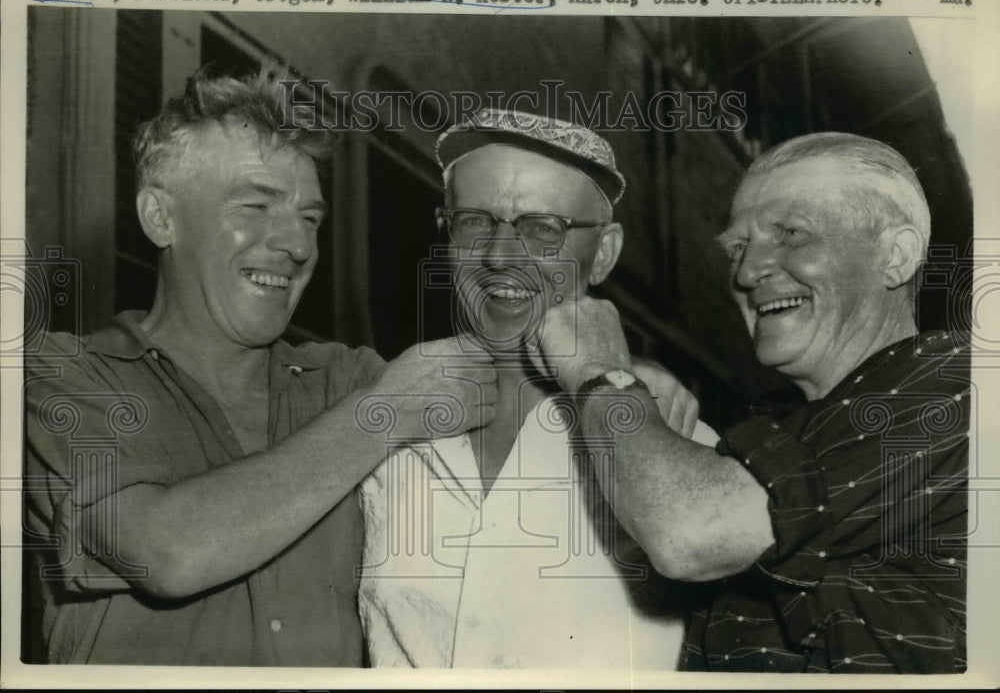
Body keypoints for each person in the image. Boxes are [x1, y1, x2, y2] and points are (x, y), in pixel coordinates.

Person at [22, 69, 496, 665]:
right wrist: (384, 414)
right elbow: (167, 552)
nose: (297, 245)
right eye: (255, 204)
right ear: (159, 218)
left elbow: (518, 400)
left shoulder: (344, 379)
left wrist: (617, 384)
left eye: (311, 219)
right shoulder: (63, 375)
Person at [529, 132, 969, 673]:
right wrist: (639, 396)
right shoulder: (784, 433)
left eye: (790, 233)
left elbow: (690, 533)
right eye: (738, 247)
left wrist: (599, 372)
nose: (745, 272)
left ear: (895, 256)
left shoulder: (956, 383)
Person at [357, 108, 714, 670]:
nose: (501, 257)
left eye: (542, 228)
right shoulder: (380, 430)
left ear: (605, 253)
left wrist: (614, 378)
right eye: (475, 221)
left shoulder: (676, 442)